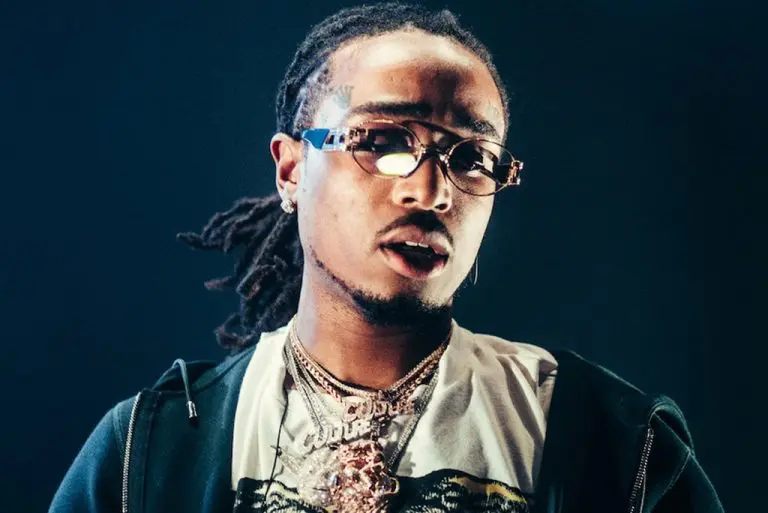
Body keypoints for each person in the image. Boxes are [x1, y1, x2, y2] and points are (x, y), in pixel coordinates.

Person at [49, 3, 723, 512]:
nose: (431, 192)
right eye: (383, 141)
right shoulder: (152, 450)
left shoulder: (607, 438)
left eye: (471, 157)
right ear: (291, 169)